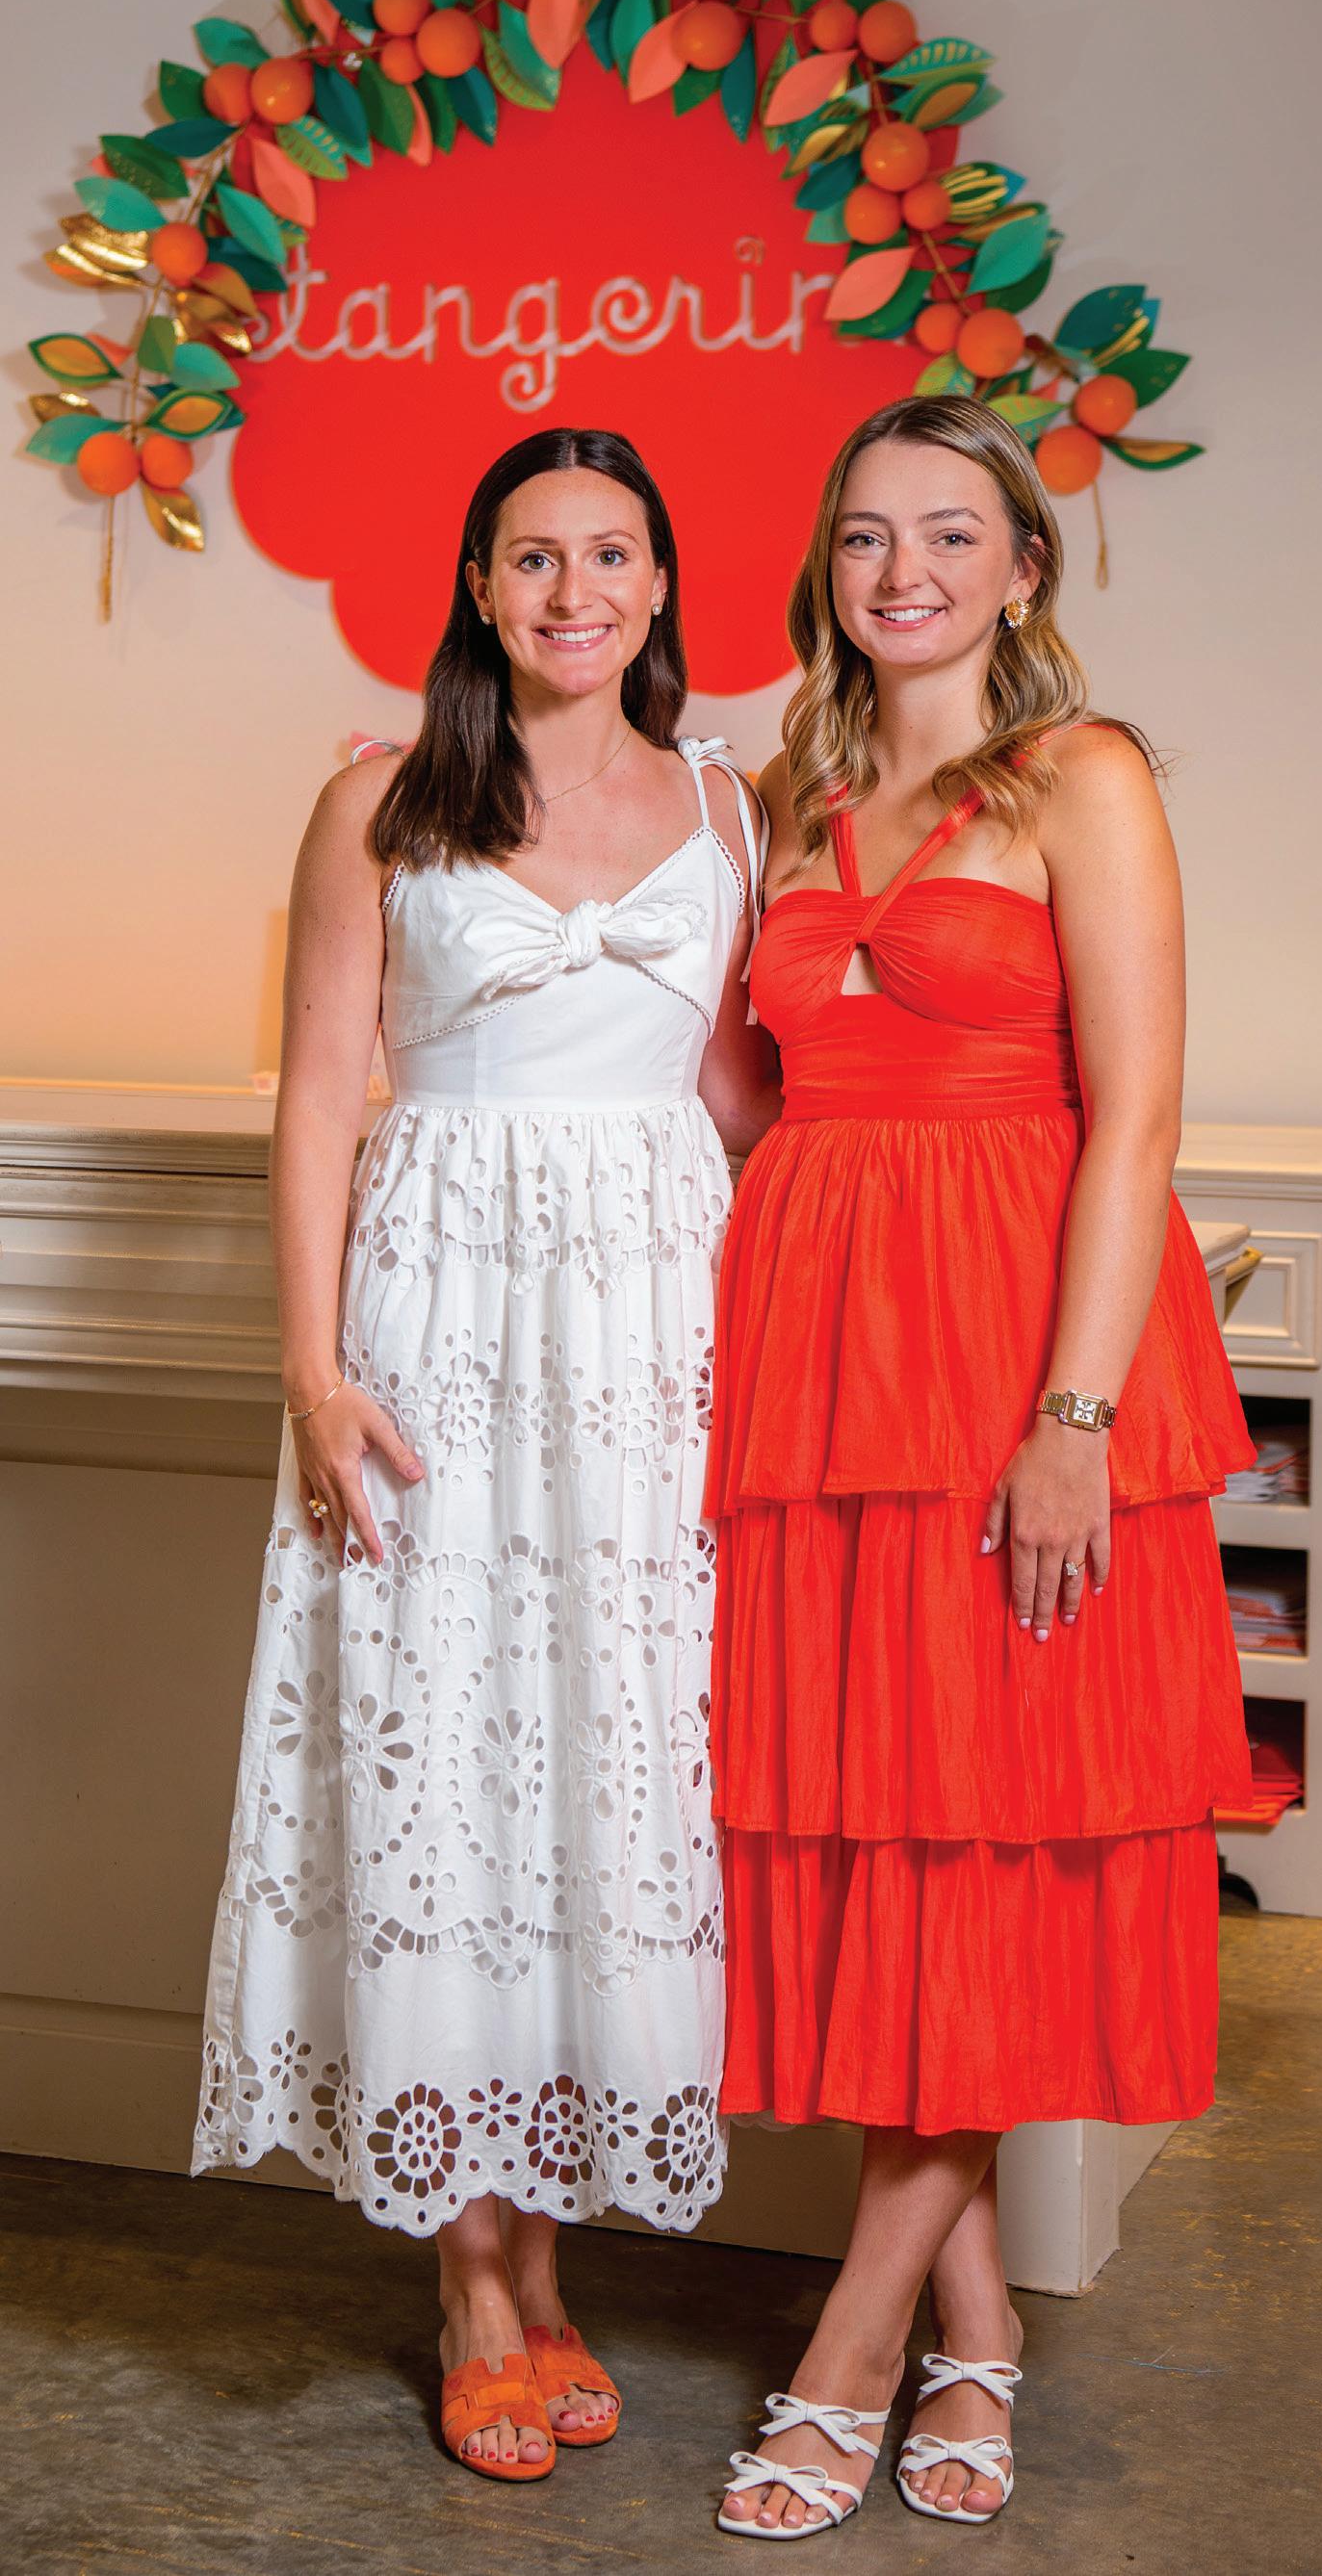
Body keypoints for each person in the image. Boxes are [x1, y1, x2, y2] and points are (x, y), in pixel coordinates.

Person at [193, 427, 776, 2485]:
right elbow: (317, 1096)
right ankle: (469, 2280)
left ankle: (545, 2257)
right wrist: (313, 1372)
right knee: (444, 1764)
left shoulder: (728, 804)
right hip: (434, 1329)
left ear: (661, 582)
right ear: (477, 582)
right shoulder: (377, 801)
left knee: (598, 1771)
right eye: (535, 557)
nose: (574, 592)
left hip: (650, 1344)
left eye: (612, 554)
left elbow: (740, 1097)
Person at [710, 394, 1253, 2537]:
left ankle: (851, 2351)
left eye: (951, 532)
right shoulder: (787, 791)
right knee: (887, 1845)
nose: (904, 570)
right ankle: (978, 2327)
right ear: (824, 571)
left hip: (1016, 1356)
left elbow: (1136, 1115)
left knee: (992, 1837)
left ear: (1024, 567)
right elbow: (748, 1098)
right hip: (819, 1370)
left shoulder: (1082, 778)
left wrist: (1075, 1418)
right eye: (865, 535)